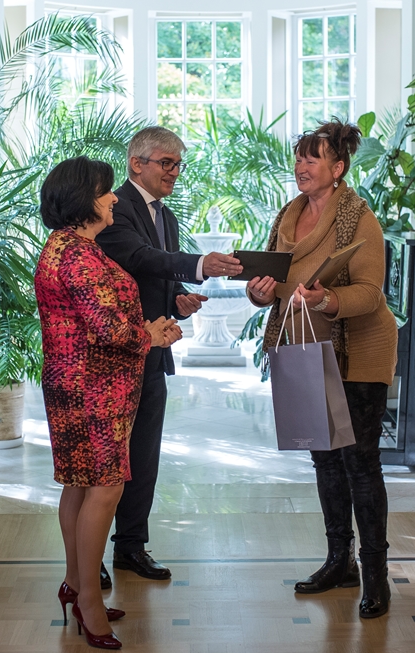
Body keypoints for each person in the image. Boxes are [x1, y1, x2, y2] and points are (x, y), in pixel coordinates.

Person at [247, 120, 398, 619]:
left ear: (338, 168)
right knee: (325, 459)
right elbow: (273, 282)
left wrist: (327, 298)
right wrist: (259, 292)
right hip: (306, 347)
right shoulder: (287, 216)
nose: (301, 166)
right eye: (298, 157)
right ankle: (340, 562)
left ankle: (375, 575)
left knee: (359, 461)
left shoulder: (359, 218)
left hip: (358, 350)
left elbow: (370, 293)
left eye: (312, 158)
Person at [35, 156, 183, 650]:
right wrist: (152, 334)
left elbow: (94, 320)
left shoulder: (64, 246)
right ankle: (89, 603)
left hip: (75, 382)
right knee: (104, 488)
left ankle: (75, 584)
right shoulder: (78, 255)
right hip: (93, 389)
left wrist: (144, 328)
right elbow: (108, 330)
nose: (113, 197)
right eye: (105, 191)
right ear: (83, 200)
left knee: (79, 485)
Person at [95, 126, 243, 585]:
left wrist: (178, 297)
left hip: (153, 354)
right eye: (166, 163)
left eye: (178, 164)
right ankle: (88, 556)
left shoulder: (168, 215)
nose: (175, 172)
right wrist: (198, 265)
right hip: (116, 355)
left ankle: (131, 547)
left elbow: (157, 274)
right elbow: (138, 258)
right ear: (136, 163)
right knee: (105, 464)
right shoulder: (114, 209)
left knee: (143, 456)